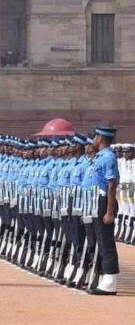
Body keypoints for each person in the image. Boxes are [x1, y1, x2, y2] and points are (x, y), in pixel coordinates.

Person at [88, 125, 120, 295]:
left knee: (106, 242)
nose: (94, 138)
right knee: (101, 240)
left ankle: (110, 280)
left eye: (96, 136)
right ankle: (105, 278)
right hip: (97, 200)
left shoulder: (108, 157)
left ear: (100, 138)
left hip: (105, 201)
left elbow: (111, 185)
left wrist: (109, 212)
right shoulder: (100, 156)